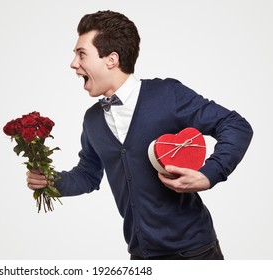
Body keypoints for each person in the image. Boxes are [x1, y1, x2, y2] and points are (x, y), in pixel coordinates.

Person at [26, 10, 253, 260]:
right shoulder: (92, 119)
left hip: (195, 252)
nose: (73, 64)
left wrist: (210, 174)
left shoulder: (168, 94)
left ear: (111, 59)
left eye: (82, 54)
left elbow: (234, 124)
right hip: (141, 257)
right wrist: (51, 181)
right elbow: (88, 175)